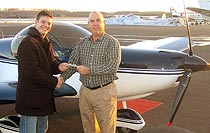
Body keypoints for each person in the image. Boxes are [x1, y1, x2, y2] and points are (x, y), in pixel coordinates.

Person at [60, 11, 121, 133]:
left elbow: (112, 67)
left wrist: (90, 70)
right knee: (88, 128)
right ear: (88, 24)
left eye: (98, 20)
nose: (95, 24)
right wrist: (62, 78)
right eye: (92, 21)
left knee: (107, 128)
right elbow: (73, 63)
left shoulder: (112, 43)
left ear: (104, 23)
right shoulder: (83, 43)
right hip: (85, 92)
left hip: (104, 92)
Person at [15, 10, 69, 133]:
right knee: (29, 130)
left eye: (49, 23)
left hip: (43, 97)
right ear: (36, 22)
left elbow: (50, 63)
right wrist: (55, 81)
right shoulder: (28, 43)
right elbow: (32, 73)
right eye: (43, 22)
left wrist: (59, 66)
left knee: (41, 129)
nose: (46, 25)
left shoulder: (45, 41)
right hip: (31, 99)